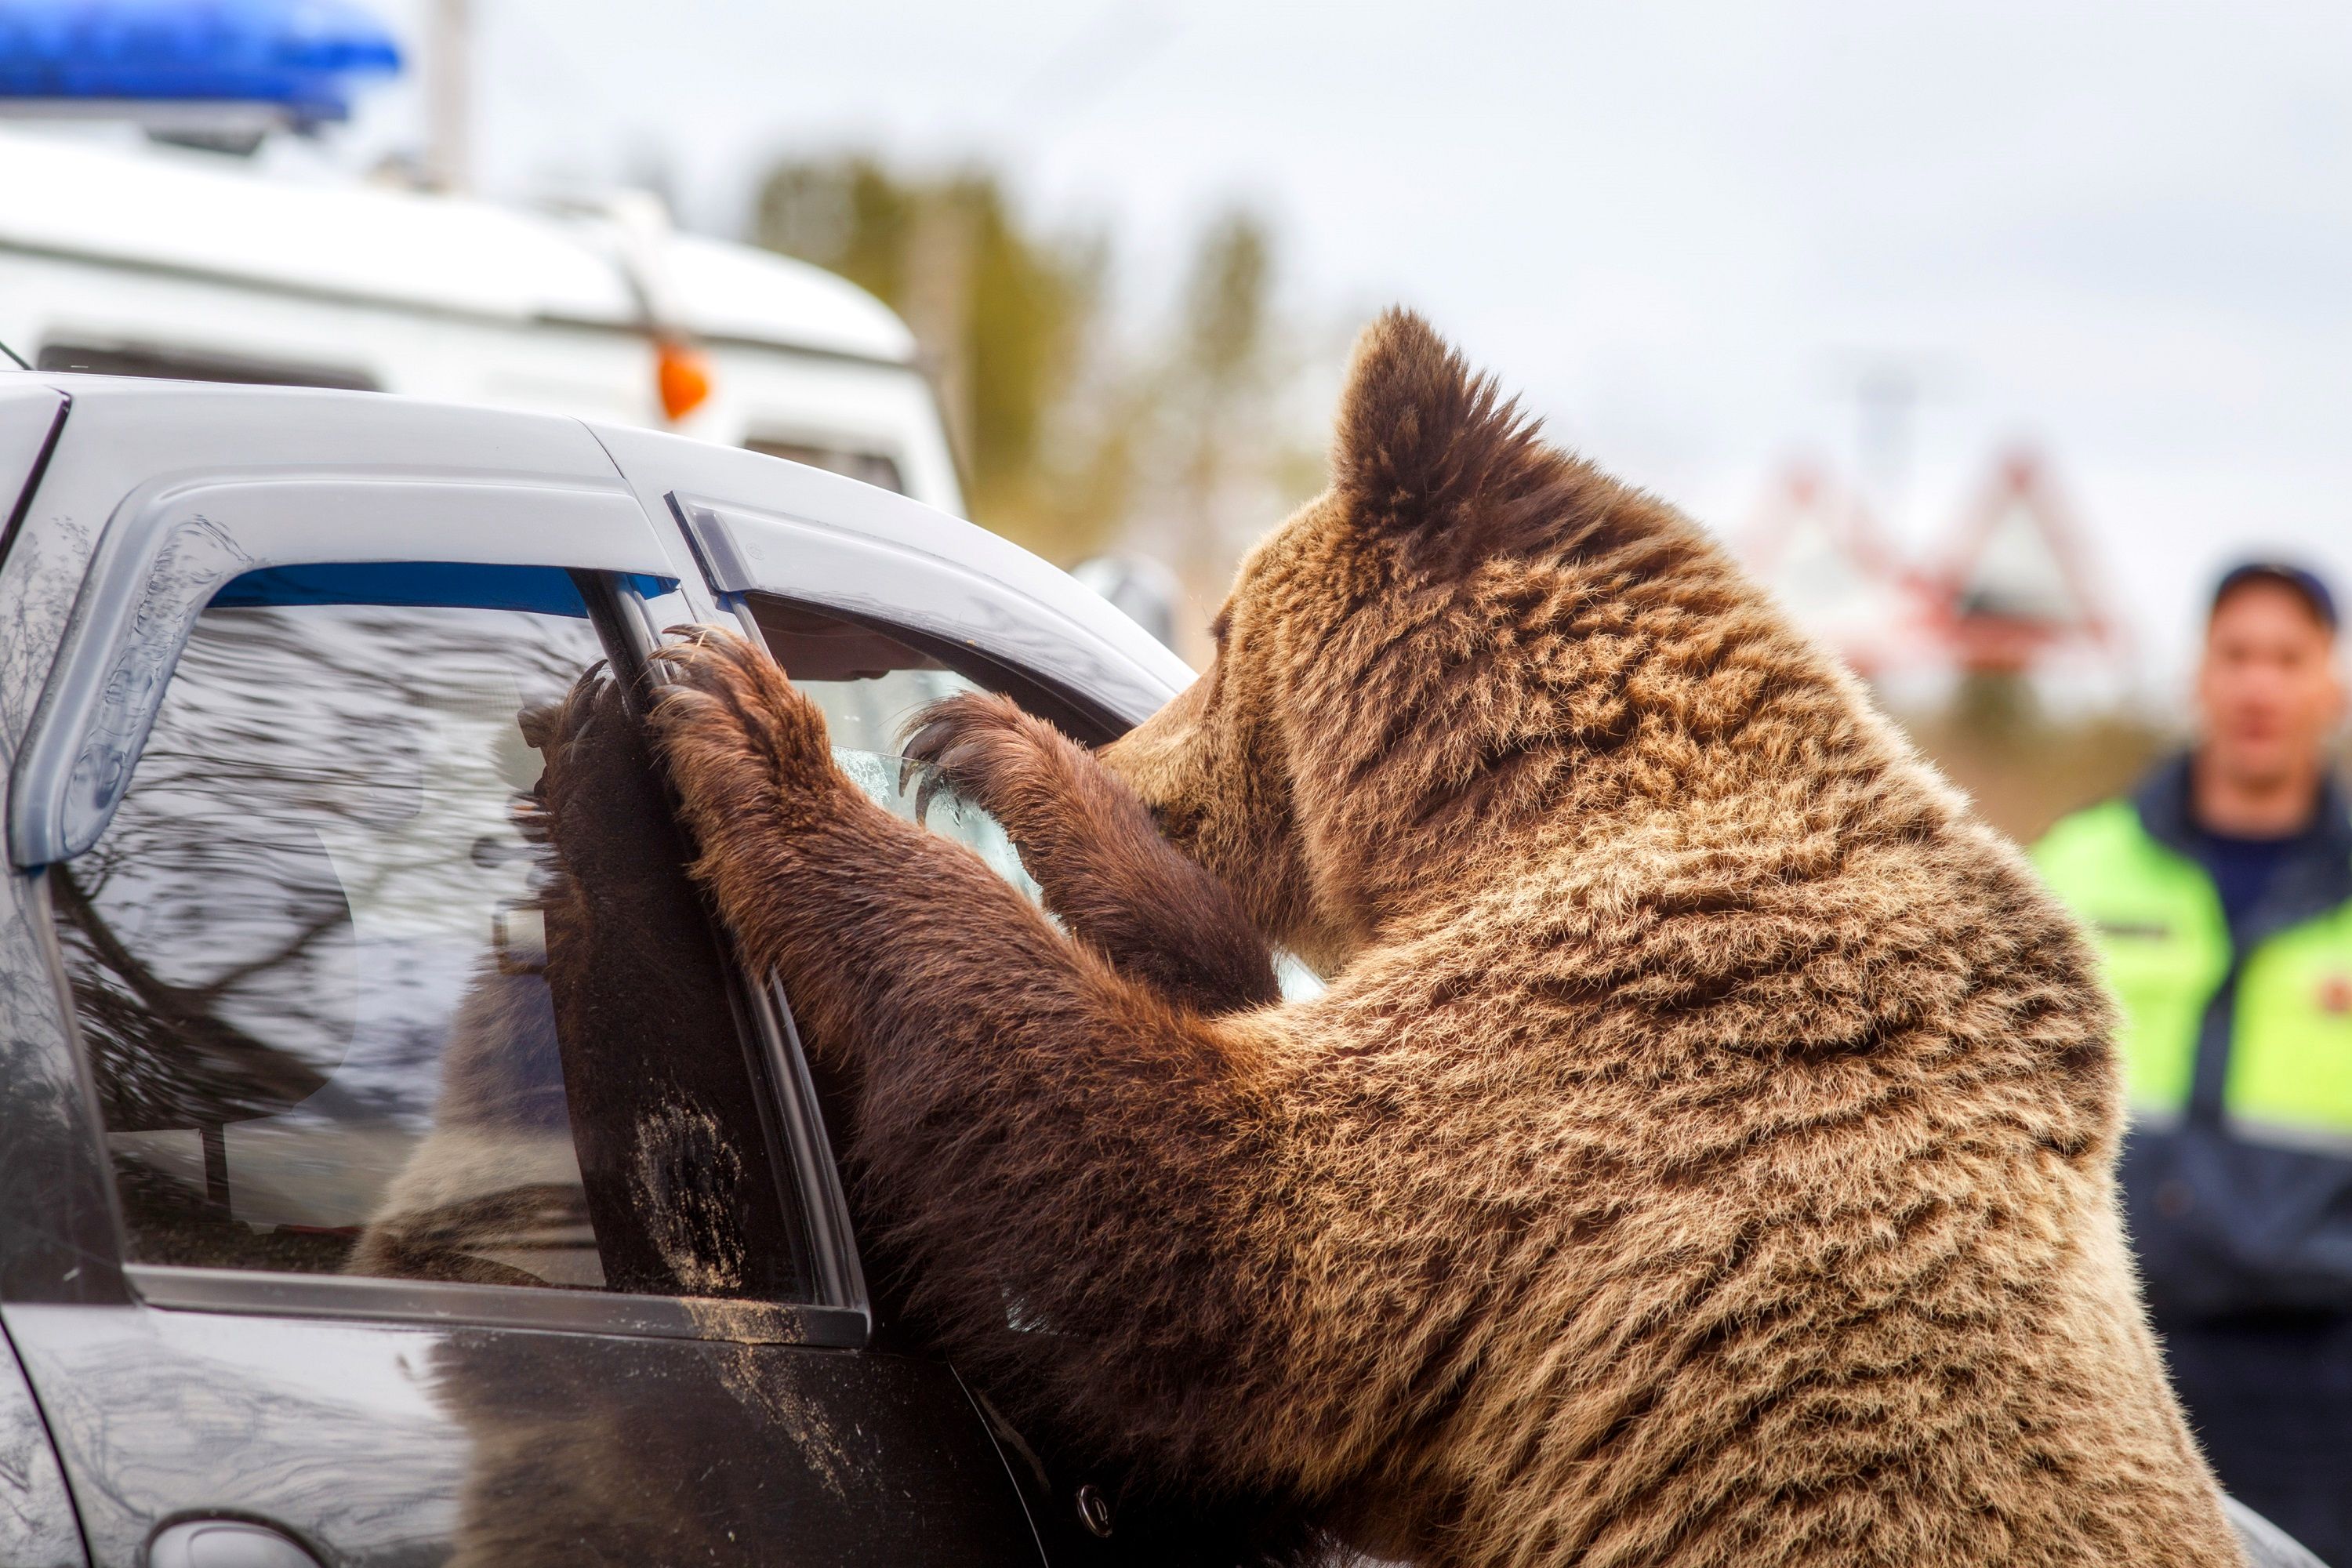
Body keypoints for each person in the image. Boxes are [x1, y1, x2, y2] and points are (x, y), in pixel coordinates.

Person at [2034, 561, 2352, 1562]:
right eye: (2238, 655)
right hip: (2109, 1354)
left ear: (2331, 687)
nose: (2260, 685)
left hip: (2320, 1384)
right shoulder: (2075, 868)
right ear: (2199, 677)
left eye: (2288, 659)